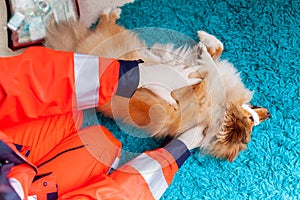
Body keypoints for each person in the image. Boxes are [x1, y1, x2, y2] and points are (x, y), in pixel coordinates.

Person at [0, 46, 206, 200]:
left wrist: (127, 76)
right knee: (103, 146)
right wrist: (176, 152)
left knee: (70, 114)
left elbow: (10, 84)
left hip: (10, 165)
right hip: (18, 182)